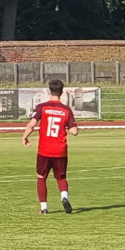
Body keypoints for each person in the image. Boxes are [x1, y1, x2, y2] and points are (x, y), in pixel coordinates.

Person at [22, 79, 78, 214]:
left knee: (41, 177)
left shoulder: (42, 107)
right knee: (61, 177)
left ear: (49, 91)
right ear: (62, 92)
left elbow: (31, 124)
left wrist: (24, 137)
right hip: (60, 150)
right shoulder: (66, 110)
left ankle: (44, 208)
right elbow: (74, 132)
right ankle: (64, 197)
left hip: (44, 150)